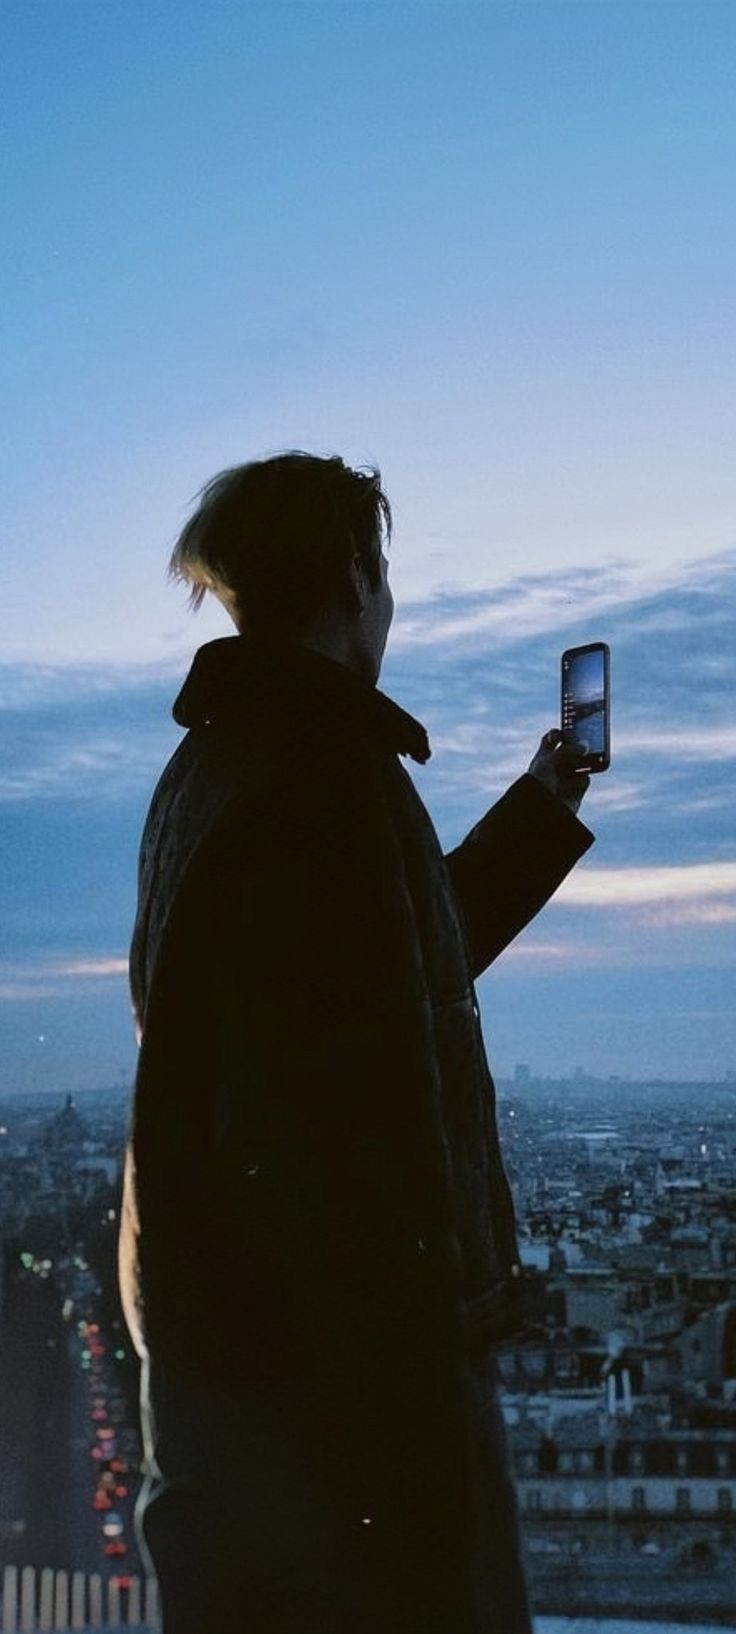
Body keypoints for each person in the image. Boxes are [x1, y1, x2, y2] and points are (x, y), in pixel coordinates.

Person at [118, 452, 594, 1634]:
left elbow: (381, 966)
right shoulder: (330, 772)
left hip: (229, 1355)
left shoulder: (212, 767)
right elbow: (362, 1105)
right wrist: (421, 1403)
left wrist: (538, 812)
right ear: (349, 575)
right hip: (345, 1387)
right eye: (383, 575)